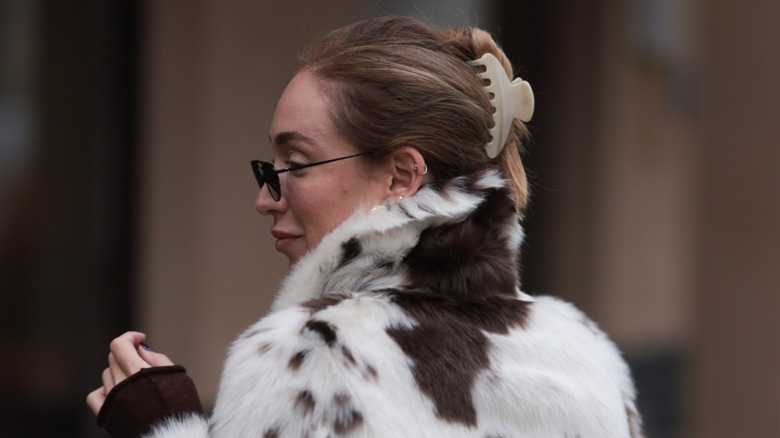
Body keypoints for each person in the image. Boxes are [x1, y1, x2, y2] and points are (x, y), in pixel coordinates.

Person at [87, 16, 644, 438]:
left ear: (401, 175)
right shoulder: (581, 358)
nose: (265, 199)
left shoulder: (315, 358)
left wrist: (163, 425)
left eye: (296, 164)